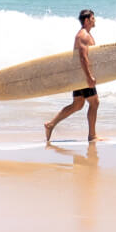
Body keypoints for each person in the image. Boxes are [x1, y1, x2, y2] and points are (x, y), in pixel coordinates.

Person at [44, 8, 101, 142]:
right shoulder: (83, 36)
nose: (94, 20)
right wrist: (88, 77)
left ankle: (50, 124)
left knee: (78, 104)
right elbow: (83, 57)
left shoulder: (85, 34)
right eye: (93, 18)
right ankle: (92, 136)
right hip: (82, 75)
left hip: (78, 75)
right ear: (87, 20)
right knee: (95, 102)